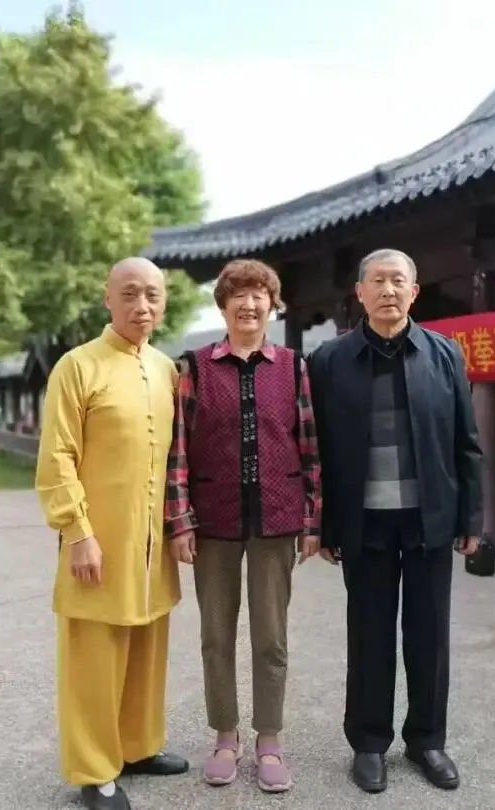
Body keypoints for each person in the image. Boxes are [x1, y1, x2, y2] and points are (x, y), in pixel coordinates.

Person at [307, 248, 484, 794]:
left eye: (397, 281)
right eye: (377, 281)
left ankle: (428, 740)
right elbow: (316, 450)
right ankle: (368, 743)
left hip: (430, 518)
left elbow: (466, 441)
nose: (388, 290)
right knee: (370, 634)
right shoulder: (329, 361)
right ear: (359, 293)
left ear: (414, 291)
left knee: (429, 634)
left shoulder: (444, 354)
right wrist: (325, 525)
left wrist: (471, 516)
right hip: (364, 523)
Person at [35, 257, 188, 810]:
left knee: (147, 649)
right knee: (94, 659)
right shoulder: (77, 366)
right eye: (129, 293)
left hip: (151, 544)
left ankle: (138, 747)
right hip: (97, 542)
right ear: (108, 298)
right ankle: (95, 770)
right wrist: (77, 532)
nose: (141, 306)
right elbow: (57, 456)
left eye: (152, 295)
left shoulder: (167, 370)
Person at [165, 258, 322, 794]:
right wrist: (180, 520)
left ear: (272, 306)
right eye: (239, 295)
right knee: (216, 635)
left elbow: (309, 447)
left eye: (260, 295)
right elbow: (178, 450)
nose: (250, 304)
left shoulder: (294, 367)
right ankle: (225, 737)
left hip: (277, 517)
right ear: (223, 306)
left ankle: (269, 740)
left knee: (271, 637)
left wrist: (312, 518)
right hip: (213, 519)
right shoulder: (196, 367)